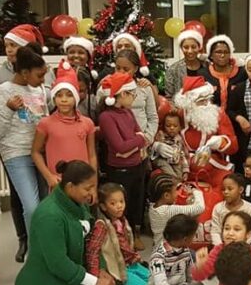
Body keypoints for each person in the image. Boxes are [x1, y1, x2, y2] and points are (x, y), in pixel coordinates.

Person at [14, 161, 135, 285]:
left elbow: (91, 243)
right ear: (70, 187)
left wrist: (100, 269)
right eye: (88, 188)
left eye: (93, 187)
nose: (92, 193)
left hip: (75, 271)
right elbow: (58, 265)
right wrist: (95, 282)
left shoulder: (78, 203)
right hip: (49, 283)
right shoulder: (49, 216)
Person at [0, 43, 50, 250]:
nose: (43, 80)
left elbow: (45, 120)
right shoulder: (4, 90)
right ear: (25, 73)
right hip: (16, 154)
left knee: (46, 206)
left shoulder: (40, 90)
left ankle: (47, 248)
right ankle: (36, 253)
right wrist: (9, 109)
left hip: (40, 153)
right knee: (32, 207)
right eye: (39, 75)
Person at [97, 72, 150, 249]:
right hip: (119, 170)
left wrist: (134, 143)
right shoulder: (106, 117)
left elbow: (139, 134)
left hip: (137, 165)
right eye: (132, 93)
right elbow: (120, 147)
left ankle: (133, 233)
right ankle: (120, 238)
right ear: (122, 94)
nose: (134, 97)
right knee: (120, 205)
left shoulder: (127, 112)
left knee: (136, 201)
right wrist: (137, 141)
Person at [32, 59, 97, 193]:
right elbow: (35, 152)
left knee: (81, 214)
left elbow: (92, 155)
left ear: (76, 97)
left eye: (69, 95)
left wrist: (93, 185)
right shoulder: (46, 124)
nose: (64, 99)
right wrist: (48, 176)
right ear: (54, 98)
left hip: (83, 186)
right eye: (59, 95)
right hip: (58, 185)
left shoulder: (87, 123)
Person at [162, 75, 239, 189]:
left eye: (209, 99)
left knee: (227, 184)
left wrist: (219, 142)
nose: (207, 104)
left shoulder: (217, 114)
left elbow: (233, 146)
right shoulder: (178, 115)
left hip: (211, 167)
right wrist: (159, 146)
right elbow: (163, 131)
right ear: (189, 103)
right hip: (180, 165)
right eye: (201, 101)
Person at [136, 214, 206, 285]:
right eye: (193, 236)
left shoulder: (186, 251)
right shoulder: (158, 256)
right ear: (185, 239)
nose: (193, 238)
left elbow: (189, 276)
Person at [85, 182, 149, 285]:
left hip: (132, 264)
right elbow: (92, 252)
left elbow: (127, 245)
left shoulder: (122, 220)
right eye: (113, 203)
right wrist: (96, 276)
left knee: (156, 281)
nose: (119, 206)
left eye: (121, 201)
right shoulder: (102, 226)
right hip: (119, 270)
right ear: (103, 206)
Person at [0, 24, 54, 91]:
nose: (8, 50)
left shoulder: (43, 69)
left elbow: (49, 95)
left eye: (13, 45)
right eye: (6, 46)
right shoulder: (2, 70)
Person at [148, 173, 205, 246]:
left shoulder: (153, 206)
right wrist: (196, 191)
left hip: (158, 247)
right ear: (166, 195)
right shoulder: (166, 211)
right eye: (176, 190)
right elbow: (199, 208)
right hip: (169, 251)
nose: (178, 193)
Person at [199, 34, 248, 110]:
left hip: (237, 119)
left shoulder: (242, 73)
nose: (222, 55)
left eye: (226, 52)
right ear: (211, 55)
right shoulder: (203, 74)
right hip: (212, 119)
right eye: (218, 52)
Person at [210, 173, 251, 246]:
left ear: (241, 190)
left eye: (230, 189)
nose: (226, 192)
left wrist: (240, 247)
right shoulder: (218, 208)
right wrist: (220, 247)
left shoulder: (249, 208)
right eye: (223, 189)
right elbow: (215, 231)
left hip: (244, 246)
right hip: (222, 246)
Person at [60, 36, 98, 117]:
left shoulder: (92, 77)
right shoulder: (58, 73)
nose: (76, 55)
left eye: (81, 53)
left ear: (88, 56)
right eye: (72, 52)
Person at [165, 29, 207, 98]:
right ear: (181, 48)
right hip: (181, 107)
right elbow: (169, 97)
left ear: (199, 47)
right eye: (186, 47)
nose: (190, 51)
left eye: (193, 47)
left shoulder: (207, 66)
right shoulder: (173, 70)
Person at [151, 111, 189, 179]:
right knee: (165, 166)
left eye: (175, 126)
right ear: (164, 126)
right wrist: (158, 143)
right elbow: (152, 147)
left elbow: (183, 155)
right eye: (168, 126)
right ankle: (173, 180)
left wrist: (185, 170)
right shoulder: (160, 135)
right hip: (161, 159)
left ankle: (178, 183)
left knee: (179, 174)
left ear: (180, 127)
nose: (172, 128)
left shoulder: (180, 140)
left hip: (175, 160)